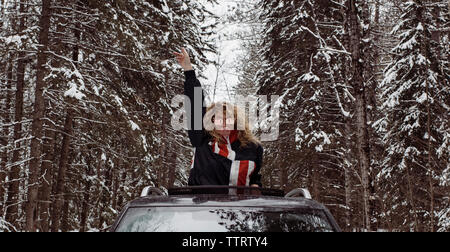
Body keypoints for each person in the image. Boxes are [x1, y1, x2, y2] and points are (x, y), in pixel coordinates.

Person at [173, 47, 264, 189]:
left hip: (240, 207)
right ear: (212, 121)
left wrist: (255, 185)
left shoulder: (253, 147)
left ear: (235, 121)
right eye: (219, 119)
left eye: (228, 119)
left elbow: (255, 176)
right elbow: (195, 106)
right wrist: (188, 70)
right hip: (203, 207)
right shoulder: (202, 139)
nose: (224, 123)